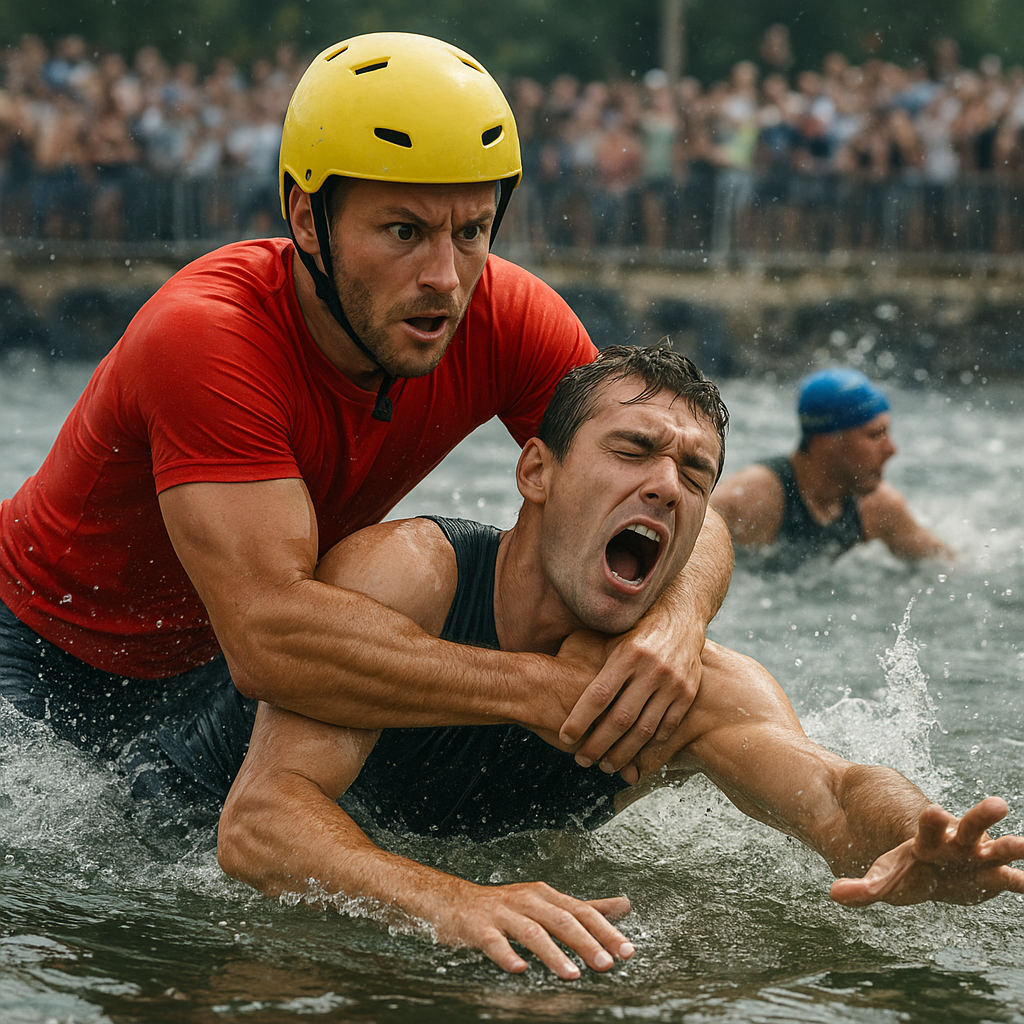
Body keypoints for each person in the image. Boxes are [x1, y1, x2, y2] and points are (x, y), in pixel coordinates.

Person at [0, 34, 734, 812]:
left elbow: (671, 491)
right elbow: (270, 636)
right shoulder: (207, 335)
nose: (445, 279)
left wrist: (678, 624)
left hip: (215, 658)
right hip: (43, 650)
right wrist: (533, 687)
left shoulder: (507, 319)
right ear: (307, 221)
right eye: (404, 232)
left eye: (472, 231)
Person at [217, 347, 1024, 981]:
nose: (667, 486)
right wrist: (453, 902)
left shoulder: (697, 688)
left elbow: (838, 796)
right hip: (158, 823)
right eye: (633, 450)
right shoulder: (411, 579)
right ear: (536, 471)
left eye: (694, 472)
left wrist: (916, 835)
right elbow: (257, 828)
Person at [710, 367, 954, 567]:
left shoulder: (879, 508)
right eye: (875, 435)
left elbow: (946, 567)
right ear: (828, 441)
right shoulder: (752, 497)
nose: (891, 449)